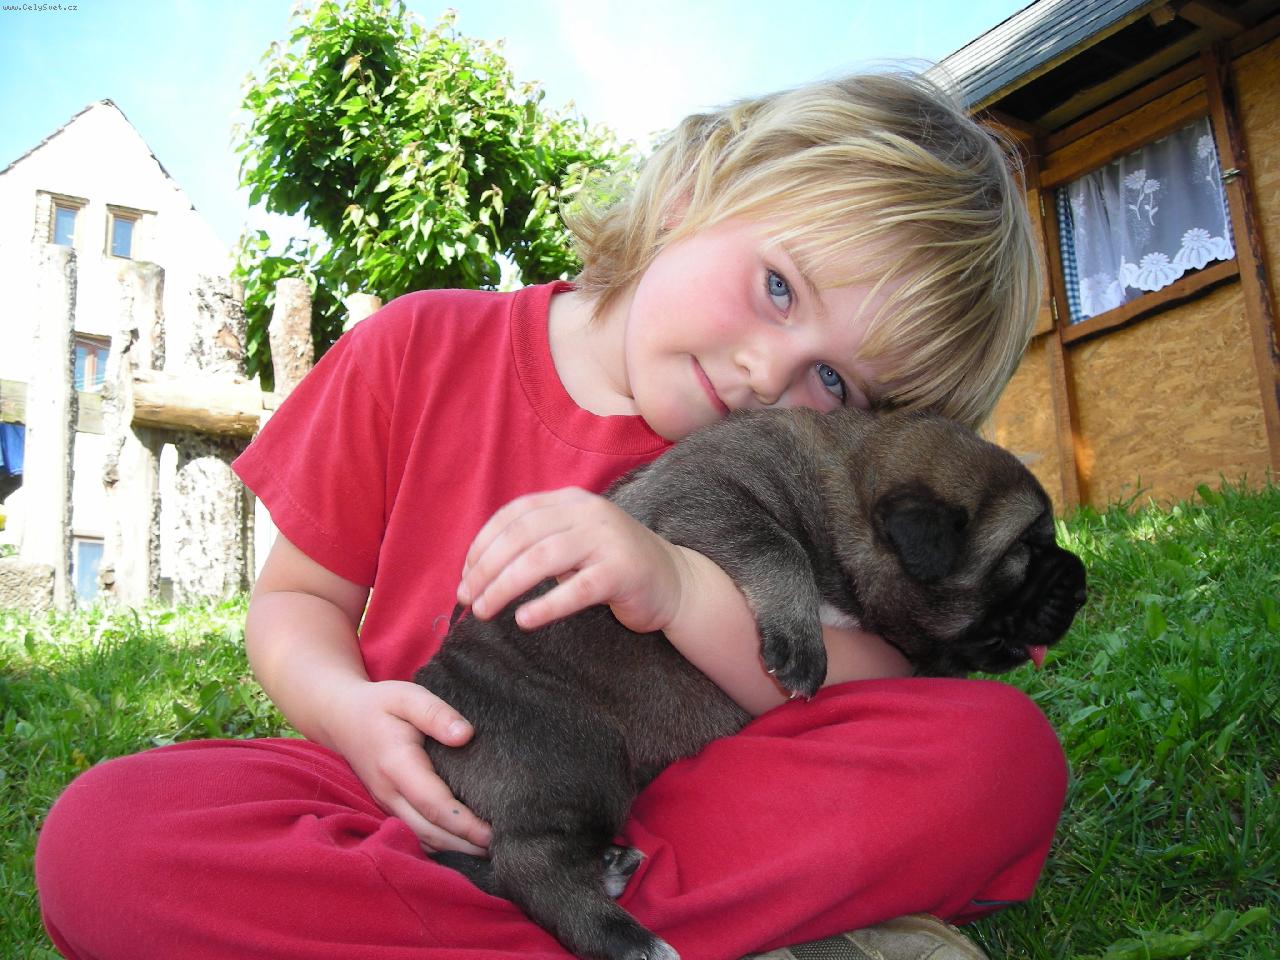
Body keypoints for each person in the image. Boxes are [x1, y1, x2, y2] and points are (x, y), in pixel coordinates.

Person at [35, 70, 1066, 960]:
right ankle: (669, 927)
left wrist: (672, 590)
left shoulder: (805, 487)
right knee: (106, 837)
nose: (766, 372)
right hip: (418, 790)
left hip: (685, 817)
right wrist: (349, 714)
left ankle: (559, 917)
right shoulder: (419, 347)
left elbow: (872, 688)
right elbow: (296, 601)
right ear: (694, 193)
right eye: (777, 287)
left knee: (998, 758)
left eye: (835, 383)